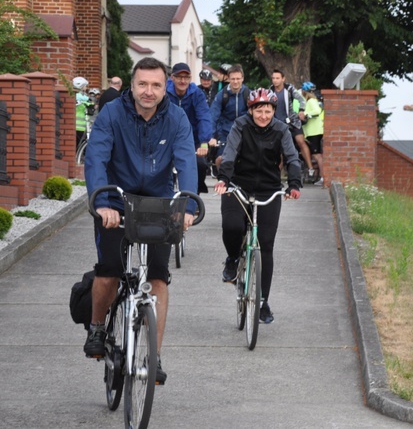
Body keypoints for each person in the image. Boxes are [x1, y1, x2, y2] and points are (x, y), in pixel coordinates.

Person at [83, 57, 199, 386]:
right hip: (116, 201)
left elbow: (186, 161)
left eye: (156, 85)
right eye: (143, 84)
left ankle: (154, 356)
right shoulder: (112, 114)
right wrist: (102, 204)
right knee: (108, 271)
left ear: (166, 89)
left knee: (159, 279)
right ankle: (96, 327)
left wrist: (187, 205)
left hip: (158, 204)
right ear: (132, 86)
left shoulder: (176, 118)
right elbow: (96, 159)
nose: (149, 91)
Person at [214, 88, 302, 324]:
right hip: (238, 185)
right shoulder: (240, 126)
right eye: (259, 111)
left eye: (268, 111)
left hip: (269, 189)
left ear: (274, 111)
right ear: (251, 110)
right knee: (232, 226)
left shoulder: (281, 129)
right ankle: (233, 258)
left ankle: (262, 302)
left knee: (266, 244)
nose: (263, 116)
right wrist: (224, 179)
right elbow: (229, 153)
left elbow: (292, 157)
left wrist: (294, 184)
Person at [166, 62, 213, 193]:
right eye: (179, 77)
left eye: (186, 77)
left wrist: (204, 143)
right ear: (172, 78)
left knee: (200, 165)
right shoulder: (164, 93)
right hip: (167, 137)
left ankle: (195, 196)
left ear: (190, 78)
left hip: (192, 138)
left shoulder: (197, 94)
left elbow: (204, 116)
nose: (182, 80)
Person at [270, 69, 315, 178]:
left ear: (283, 79)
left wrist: (301, 110)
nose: (275, 81)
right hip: (278, 123)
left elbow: (302, 100)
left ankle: (310, 168)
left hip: (293, 121)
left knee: (300, 141)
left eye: (277, 78)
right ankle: (276, 175)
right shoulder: (270, 91)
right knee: (278, 148)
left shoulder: (289, 89)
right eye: (273, 78)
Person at [208, 64, 249, 169]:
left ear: (242, 79)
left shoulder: (248, 94)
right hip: (225, 133)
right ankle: (222, 182)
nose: (235, 81)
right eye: (233, 79)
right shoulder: (221, 95)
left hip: (245, 132)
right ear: (228, 79)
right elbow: (213, 116)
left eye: (238, 79)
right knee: (221, 159)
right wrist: (211, 137)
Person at [301, 81, 325, 186]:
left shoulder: (311, 101)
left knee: (317, 155)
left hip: (314, 132)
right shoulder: (311, 101)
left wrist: (305, 113)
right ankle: (321, 176)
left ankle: (324, 177)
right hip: (313, 132)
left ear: (304, 91)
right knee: (316, 155)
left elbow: (316, 111)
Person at [73, 76, 93, 148]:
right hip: (78, 126)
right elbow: (86, 100)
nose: (86, 88)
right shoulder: (78, 96)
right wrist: (89, 101)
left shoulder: (82, 96)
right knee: (78, 144)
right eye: (85, 86)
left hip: (81, 126)